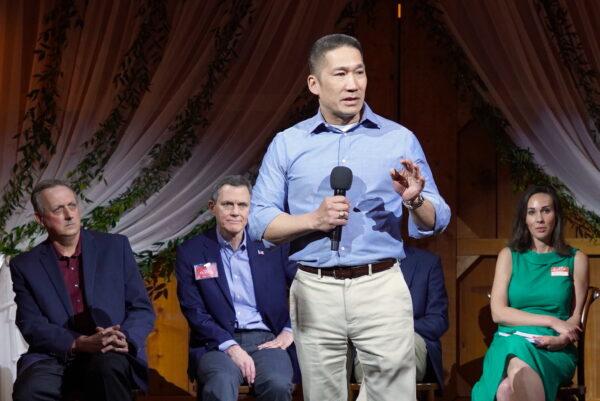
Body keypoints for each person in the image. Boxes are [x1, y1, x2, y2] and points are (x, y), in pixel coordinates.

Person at [249, 34, 451, 401]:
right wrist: (314, 220)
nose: (353, 84)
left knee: (394, 394)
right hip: (314, 288)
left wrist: (415, 199)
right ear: (315, 83)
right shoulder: (288, 143)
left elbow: (436, 218)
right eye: (340, 74)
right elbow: (260, 222)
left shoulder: (398, 139)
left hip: (381, 284)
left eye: (359, 72)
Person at [9, 179, 155, 401]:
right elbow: (31, 323)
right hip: (56, 356)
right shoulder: (25, 265)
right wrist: (77, 343)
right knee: (29, 390)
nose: (69, 215)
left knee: (107, 371)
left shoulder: (115, 247)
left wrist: (124, 338)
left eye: (72, 205)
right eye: (58, 209)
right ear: (40, 219)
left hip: (109, 350)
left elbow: (141, 308)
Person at [175, 175, 299, 401]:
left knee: (278, 384)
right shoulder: (191, 252)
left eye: (242, 205)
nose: (235, 212)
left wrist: (290, 330)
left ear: (250, 209)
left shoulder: (273, 247)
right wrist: (231, 347)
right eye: (227, 204)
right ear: (212, 208)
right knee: (220, 384)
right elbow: (193, 309)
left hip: (267, 339)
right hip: (216, 342)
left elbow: (304, 289)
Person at [471, 185, 589, 401]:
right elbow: (498, 313)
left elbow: (575, 318)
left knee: (507, 388)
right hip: (510, 339)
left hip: (554, 347)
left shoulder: (575, 259)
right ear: (524, 219)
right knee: (512, 366)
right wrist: (551, 321)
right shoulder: (509, 256)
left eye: (546, 210)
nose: (539, 219)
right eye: (532, 212)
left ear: (557, 215)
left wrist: (562, 339)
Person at [352, 245, 449, 400]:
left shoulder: (427, 262)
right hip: (368, 338)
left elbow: (438, 322)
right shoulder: (356, 261)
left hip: (412, 337)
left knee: (400, 349)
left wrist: (397, 324)